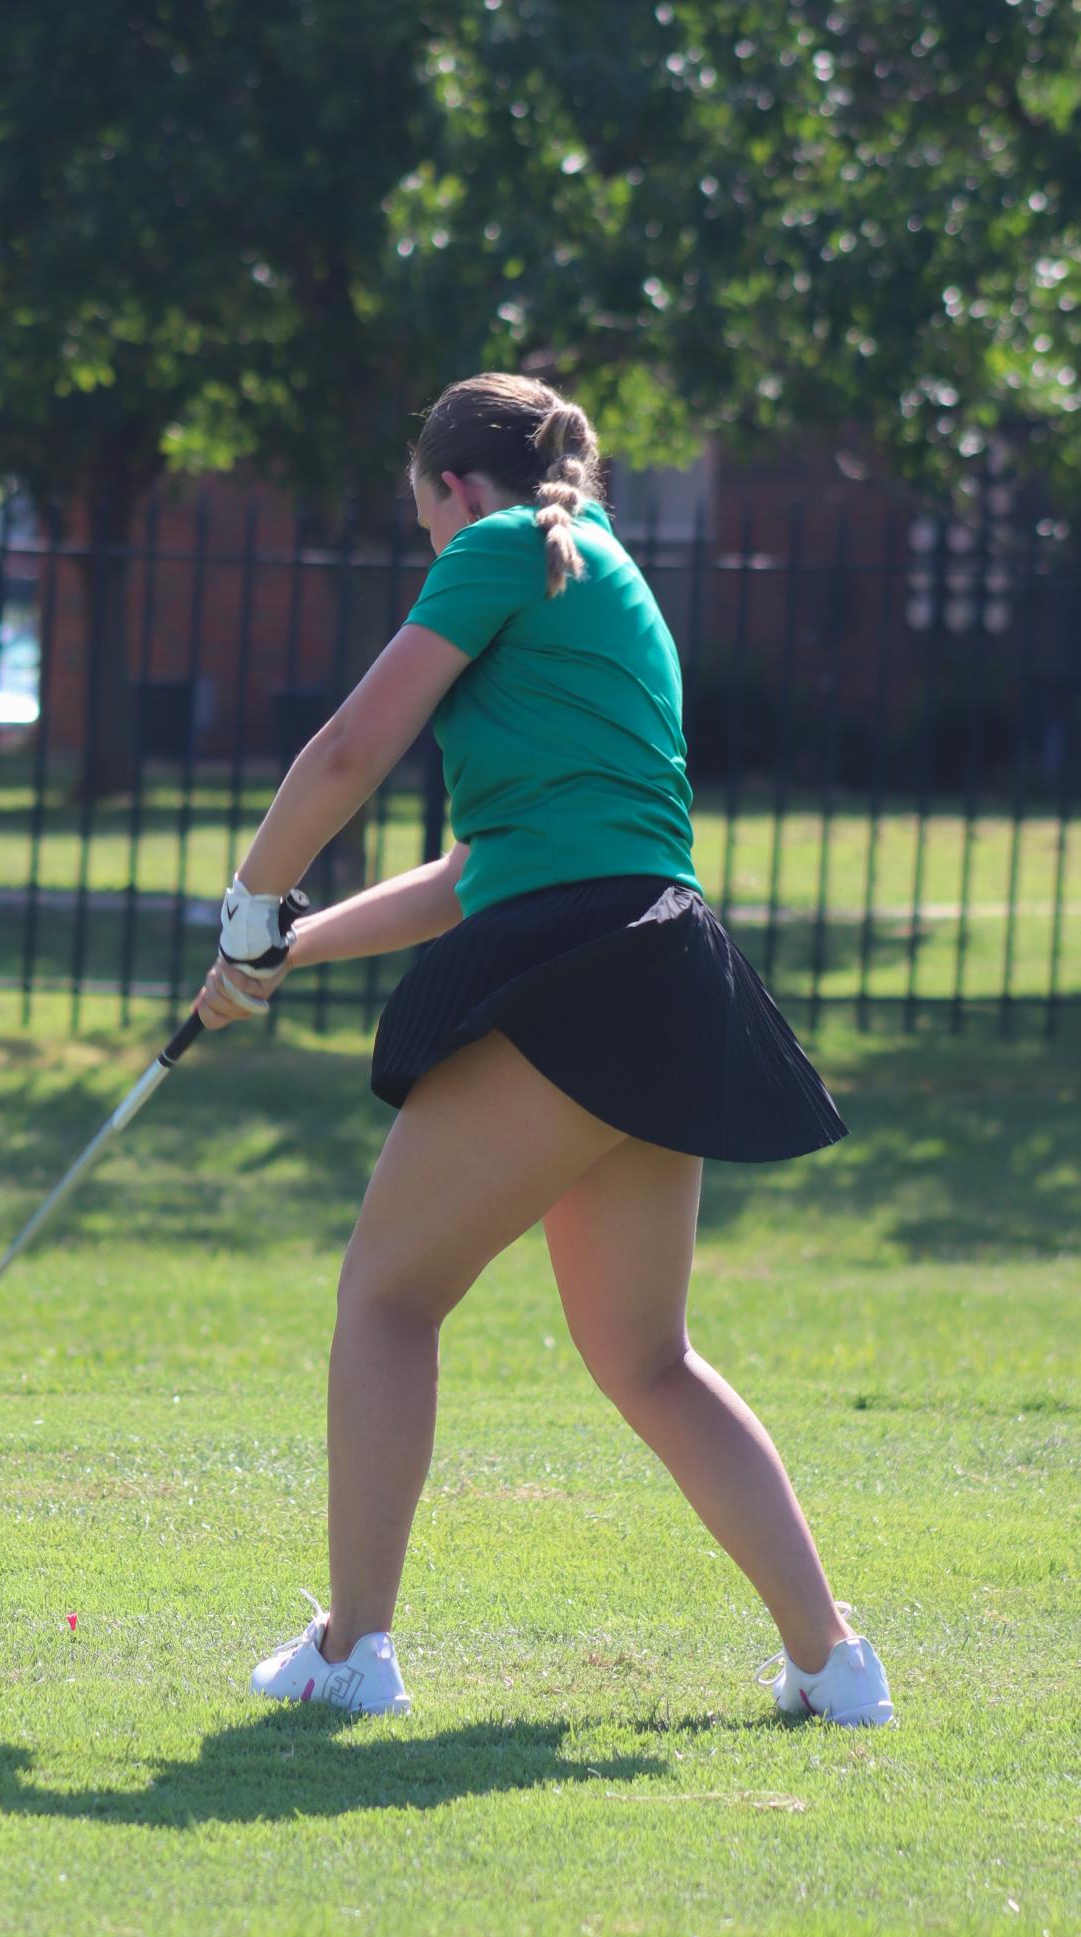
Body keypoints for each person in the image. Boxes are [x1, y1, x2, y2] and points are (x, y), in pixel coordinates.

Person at [196, 372, 895, 1728]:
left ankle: (353, 1647)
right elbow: (479, 868)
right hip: (667, 963)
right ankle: (834, 1659)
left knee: (388, 1298)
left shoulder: (499, 550)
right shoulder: (603, 572)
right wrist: (288, 947)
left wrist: (248, 900)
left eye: (425, 521)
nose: (431, 549)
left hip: (582, 969)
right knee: (646, 1355)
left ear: (455, 489)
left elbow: (348, 752)